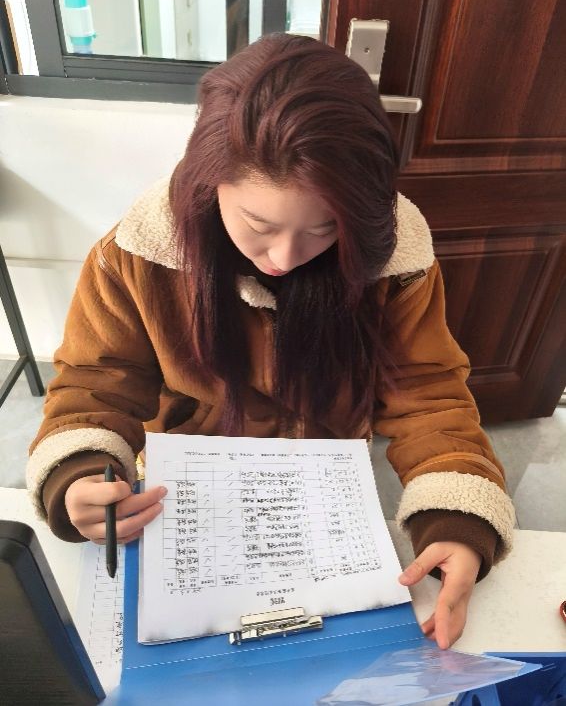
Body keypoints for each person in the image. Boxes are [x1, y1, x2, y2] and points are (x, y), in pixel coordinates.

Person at [28, 33, 515, 650]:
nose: (285, 256)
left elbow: (428, 394)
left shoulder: (394, 264)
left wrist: (457, 517)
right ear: (210, 184)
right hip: (184, 499)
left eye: (324, 229)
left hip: (321, 501)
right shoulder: (136, 258)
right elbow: (96, 383)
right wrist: (75, 476)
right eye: (258, 224)